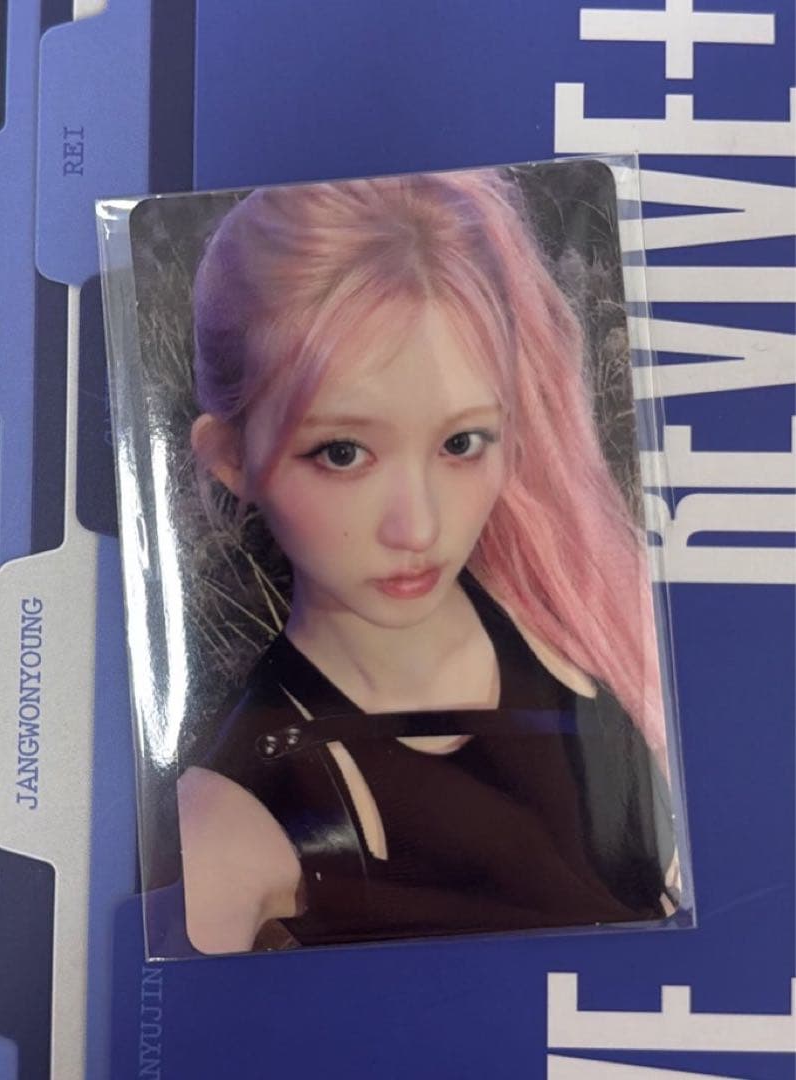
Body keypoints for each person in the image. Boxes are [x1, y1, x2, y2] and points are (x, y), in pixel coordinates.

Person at [176, 167, 676, 955]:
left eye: (460, 442)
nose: (418, 527)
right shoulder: (235, 818)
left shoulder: (577, 619)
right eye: (342, 452)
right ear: (231, 457)